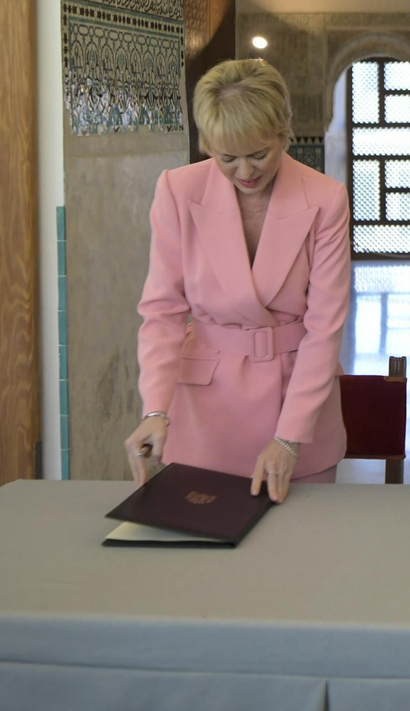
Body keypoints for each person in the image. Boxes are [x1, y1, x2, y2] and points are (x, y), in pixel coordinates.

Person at [125, 59, 350, 501]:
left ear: (284, 133)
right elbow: (162, 312)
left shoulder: (326, 198)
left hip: (297, 404)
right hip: (204, 409)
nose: (245, 172)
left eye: (259, 154)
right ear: (207, 143)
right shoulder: (177, 190)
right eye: (227, 158)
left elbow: (324, 327)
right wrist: (155, 408)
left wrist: (289, 436)